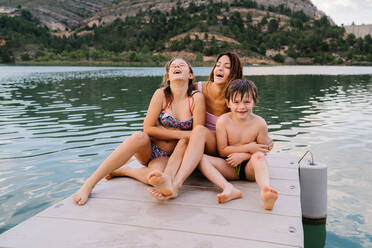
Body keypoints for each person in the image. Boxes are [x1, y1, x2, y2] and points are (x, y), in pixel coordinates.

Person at [72, 57, 205, 205]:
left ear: (190, 75)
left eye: (181, 65)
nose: (176, 67)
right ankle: (89, 184)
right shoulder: (161, 94)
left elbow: (197, 134)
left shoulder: (196, 98)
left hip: (174, 155)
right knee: (138, 137)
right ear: (168, 77)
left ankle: (125, 171)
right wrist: (181, 133)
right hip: (152, 149)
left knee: (156, 178)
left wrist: (171, 132)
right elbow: (148, 128)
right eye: (173, 66)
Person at [147, 52, 249, 200]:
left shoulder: (237, 99)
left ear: (234, 73)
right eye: (218, 65)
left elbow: (249, 128)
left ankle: (176, 184)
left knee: (198, 130)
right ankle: (168, 181)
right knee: (186, 139)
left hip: (220, 147)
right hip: (198, 145)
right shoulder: (197, 89)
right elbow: (176, 99)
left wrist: (245, 153)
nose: (220, 69)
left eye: (226, 67)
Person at [199, 79, 278, 210]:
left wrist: (245, 155)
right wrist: (248, 147)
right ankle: (228, 188)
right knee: (200, 158)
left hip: (249, 169)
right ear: (228, 103)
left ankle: (266, 190)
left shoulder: (259, 123)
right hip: (229, 166)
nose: (241, 107)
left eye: (247, 102)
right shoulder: (223, 121)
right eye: (236, 102)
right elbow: (222, 151)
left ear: (254, 102)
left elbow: (264, 149)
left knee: (258, 156)